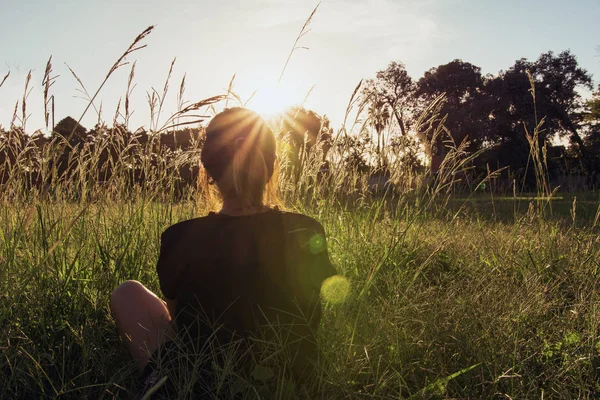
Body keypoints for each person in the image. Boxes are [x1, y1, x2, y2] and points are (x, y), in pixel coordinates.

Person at [110, 107, 336, 397]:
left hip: (201, 381)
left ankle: (162, 383)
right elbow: (310, 314)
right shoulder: (306, 229)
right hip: (289, 379)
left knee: (128, 292)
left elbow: (181, 324)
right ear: (272, 165)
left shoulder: (180, 236)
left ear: (207, 171)